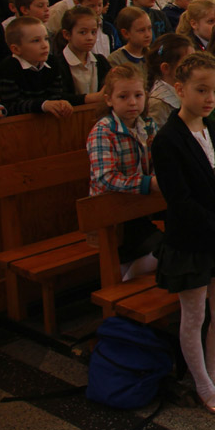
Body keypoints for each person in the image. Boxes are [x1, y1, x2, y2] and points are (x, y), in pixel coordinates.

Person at [152, 52, 215, 416]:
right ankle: (202, 383)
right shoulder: (168, 140)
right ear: (180, 89)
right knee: (193, 315)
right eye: (201, 90)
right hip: (192, 240)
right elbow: (180, 200)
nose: (210, 98)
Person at [86, 64, 163, 281]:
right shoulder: (103, 131)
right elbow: (105, 178)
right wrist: (148, 183)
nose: (132, 102)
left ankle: (130, 269)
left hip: (140, 207)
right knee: (166, 247)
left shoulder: (147, 125)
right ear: (109, 99)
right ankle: (125, 276)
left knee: (184, 234)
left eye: (138, 95)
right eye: (123, 96)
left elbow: (159, 160)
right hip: (112, 214)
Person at [0, 17, 81, 118]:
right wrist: (43, 105)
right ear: (16, 49)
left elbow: (56, 95)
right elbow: (10, 107)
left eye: (46, 39)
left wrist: (61, 103)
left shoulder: (52, 63)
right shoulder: (6, 69)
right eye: (36, 41)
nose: (45, 45)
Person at [55, 6, 111, 101]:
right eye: (83, 32)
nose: (90, 37)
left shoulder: (101, 61)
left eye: (93, 32)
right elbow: (59, 97)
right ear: (67, 34)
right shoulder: (56, 64)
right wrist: (91, 98)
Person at [146, 33, 195, 129]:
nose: (194, 67)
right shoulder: (158, 104)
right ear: (166, 68)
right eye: (188, 63)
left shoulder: (188, 91)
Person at [108, 7, 153, 79]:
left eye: (149, 28)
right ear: (125, 33)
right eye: (141, 30)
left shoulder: (152, 56)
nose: (148, 35)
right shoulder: (116, 59)